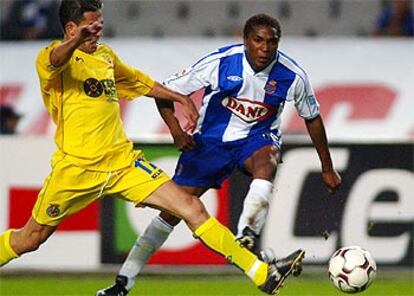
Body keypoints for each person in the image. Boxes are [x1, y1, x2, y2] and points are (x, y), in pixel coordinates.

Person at [0, 2, 305, 295]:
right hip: (75, 169)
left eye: (98, 28)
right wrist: (77, 40)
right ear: (70, 29)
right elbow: (55, 59)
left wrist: (181, 98)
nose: (96, 35)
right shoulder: (50, 58)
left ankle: (261, 274)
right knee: (31, 238)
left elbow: (139, 82)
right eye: (88, 29)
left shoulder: (105, 56)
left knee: (191, 207)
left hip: (123, 164)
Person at [97, 13, 341, 296]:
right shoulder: (221, 62)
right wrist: (176, 130)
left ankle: (246, 234)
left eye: (272, 42)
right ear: (245, 40)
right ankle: (124, 282)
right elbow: (165, 91)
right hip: (210, 144)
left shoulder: (292, 75)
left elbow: (312, 117)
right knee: (171, 213)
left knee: (268, 160)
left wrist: (327, 167)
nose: (265, 48)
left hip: (256, 139)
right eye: (258, 40)